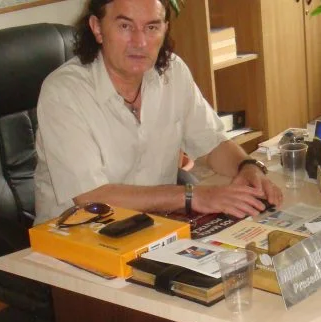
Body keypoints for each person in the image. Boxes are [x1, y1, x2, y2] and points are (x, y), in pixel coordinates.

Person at [33, 0, 282, 224]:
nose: (140, 42)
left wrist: (247, 167)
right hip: (76, 239)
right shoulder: (64, 92)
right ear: (97, 28)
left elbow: (211, 142)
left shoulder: (172, 72)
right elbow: (92, 197)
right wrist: (192, 196)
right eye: (125, 26)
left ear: (165, 29)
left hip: (153, 229)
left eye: (152, 27)